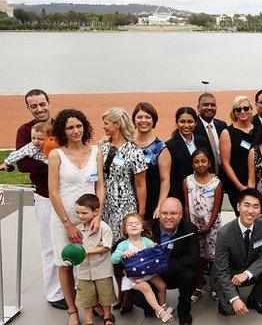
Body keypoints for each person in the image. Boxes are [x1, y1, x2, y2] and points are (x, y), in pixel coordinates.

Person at [48, 109, 104, 325]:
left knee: (91, 261)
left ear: (85, 127)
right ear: (63, 130)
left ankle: (93, 303)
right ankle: (72, 310)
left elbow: (100, 185)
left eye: (78, 126)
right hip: (64, 219)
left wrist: (97, 215)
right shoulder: (56, 155)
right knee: (66, 263)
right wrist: (68, 225)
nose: (75, 131)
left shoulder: (96, 151)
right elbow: (53, 192)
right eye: (70, 127)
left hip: (90, 218)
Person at [15, 89, 66, 309]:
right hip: (45, 196)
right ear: (28, 108)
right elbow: (23, 164)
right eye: (33, 106)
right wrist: (53, 162)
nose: (39, 109)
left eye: (42, 104)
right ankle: (54, 293)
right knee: (49, 246)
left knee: (71, 242)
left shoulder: (63, 124)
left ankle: (72, 288)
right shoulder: (25, 131)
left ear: (49, 102)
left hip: (68, 195)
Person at [129, 198, 199, 325]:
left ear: (181, 214)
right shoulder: (147, 228)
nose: (169, 217)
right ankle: (153, 307)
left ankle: (184, 311)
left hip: (176, 272)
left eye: (173, 213)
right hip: (152, 276)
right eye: (165, 213)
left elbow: (193, 258)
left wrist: (162, 265)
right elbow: (121, 246)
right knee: (137, 297)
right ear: (159, 213)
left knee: (189, 276)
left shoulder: (190, 229)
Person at [212, 188, 262, 317]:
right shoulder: (224, 233)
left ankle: (255, 299)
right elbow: (221, 270)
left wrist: (247, 274)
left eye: (256, 207)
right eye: (246, 205)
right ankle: (229, 296)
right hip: (229, 272)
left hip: (248, 269)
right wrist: (234, 298)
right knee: (230, 310)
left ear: (260, 210)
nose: (250, 211)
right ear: (238, 206)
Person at [112, 214, 174, 322]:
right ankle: (160, 311)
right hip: (134, 276)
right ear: (125, 230)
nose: (134, 225)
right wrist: (122, 253)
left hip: (148, 271)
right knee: (146, 288)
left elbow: (155, 254)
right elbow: (113, 259)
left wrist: (154, 248)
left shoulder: (146, 241)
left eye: (137, 223)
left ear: (142, 228)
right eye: (130, 224)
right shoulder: (123, 245)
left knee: (162, 285)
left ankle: (162, 305)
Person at [100, 107, 148, 241]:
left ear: (117, 124)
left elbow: (140, 184)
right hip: (104, 205)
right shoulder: (102, 147)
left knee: (123, 242)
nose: (103, 127)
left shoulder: (134, 151)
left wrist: (141, 211)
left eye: (106, 123)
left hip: (125, 205)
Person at [182, 149, 222, 303]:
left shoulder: (216, 182)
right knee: (198, 258)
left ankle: (215, 286)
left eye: (203, 161)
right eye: (196, 161)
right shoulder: (187, 181)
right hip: (194, 228)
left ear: (210, 163)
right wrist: (189, 226)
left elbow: (216, 207)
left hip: (212, 227)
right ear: (192, 163)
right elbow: (186, 206)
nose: (200, 164)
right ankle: (199, 286)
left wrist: (209, 226)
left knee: (214, 258)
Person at [74, 194, 117, 325]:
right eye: (77, 213)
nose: (80, 216)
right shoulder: (77, 229)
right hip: (83, 271)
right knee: (86, 298)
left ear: (96, 212)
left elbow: (106, 247)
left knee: (106, 295)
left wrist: (87, 252)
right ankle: (89, 321)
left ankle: (107, 317)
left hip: (102, 270)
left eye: (84, 213)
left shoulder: (104, 228)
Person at [132, 102, 172, 219]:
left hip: (152, 202)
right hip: (128, 200)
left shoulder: (160, 148)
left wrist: (160, 205)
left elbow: (165, 180)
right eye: (139, 117)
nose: (143, 120)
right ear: (134, 120)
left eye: (148, 117)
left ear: (153, 121)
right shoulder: (127, 144)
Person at [166, 107, 212, 205]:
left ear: (195, 123)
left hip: (204, 192)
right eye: (182, 121)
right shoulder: (170, 145)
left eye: (190, 121)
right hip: (181, 194)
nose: (186, 125)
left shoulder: (202, 140)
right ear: (177, 123)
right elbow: (171, 176)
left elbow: (209, 163)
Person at [219, 96, 255, 215]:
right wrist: (239, 186)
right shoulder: (227, 132)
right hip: (237, 184)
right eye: (238, 109)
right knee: (243, 216)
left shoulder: (259, 130)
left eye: (245, 108)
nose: (242, 112)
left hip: (257, 181)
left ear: (251, 109)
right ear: (234, 112)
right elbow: (225, 163)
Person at [194, 92, 227, 175]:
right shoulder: (193, 127)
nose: (209, 108)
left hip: (223, 174)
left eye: (212, 105)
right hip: (204, 176)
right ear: (198, 107)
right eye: (205, 105)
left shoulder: (222, 125)